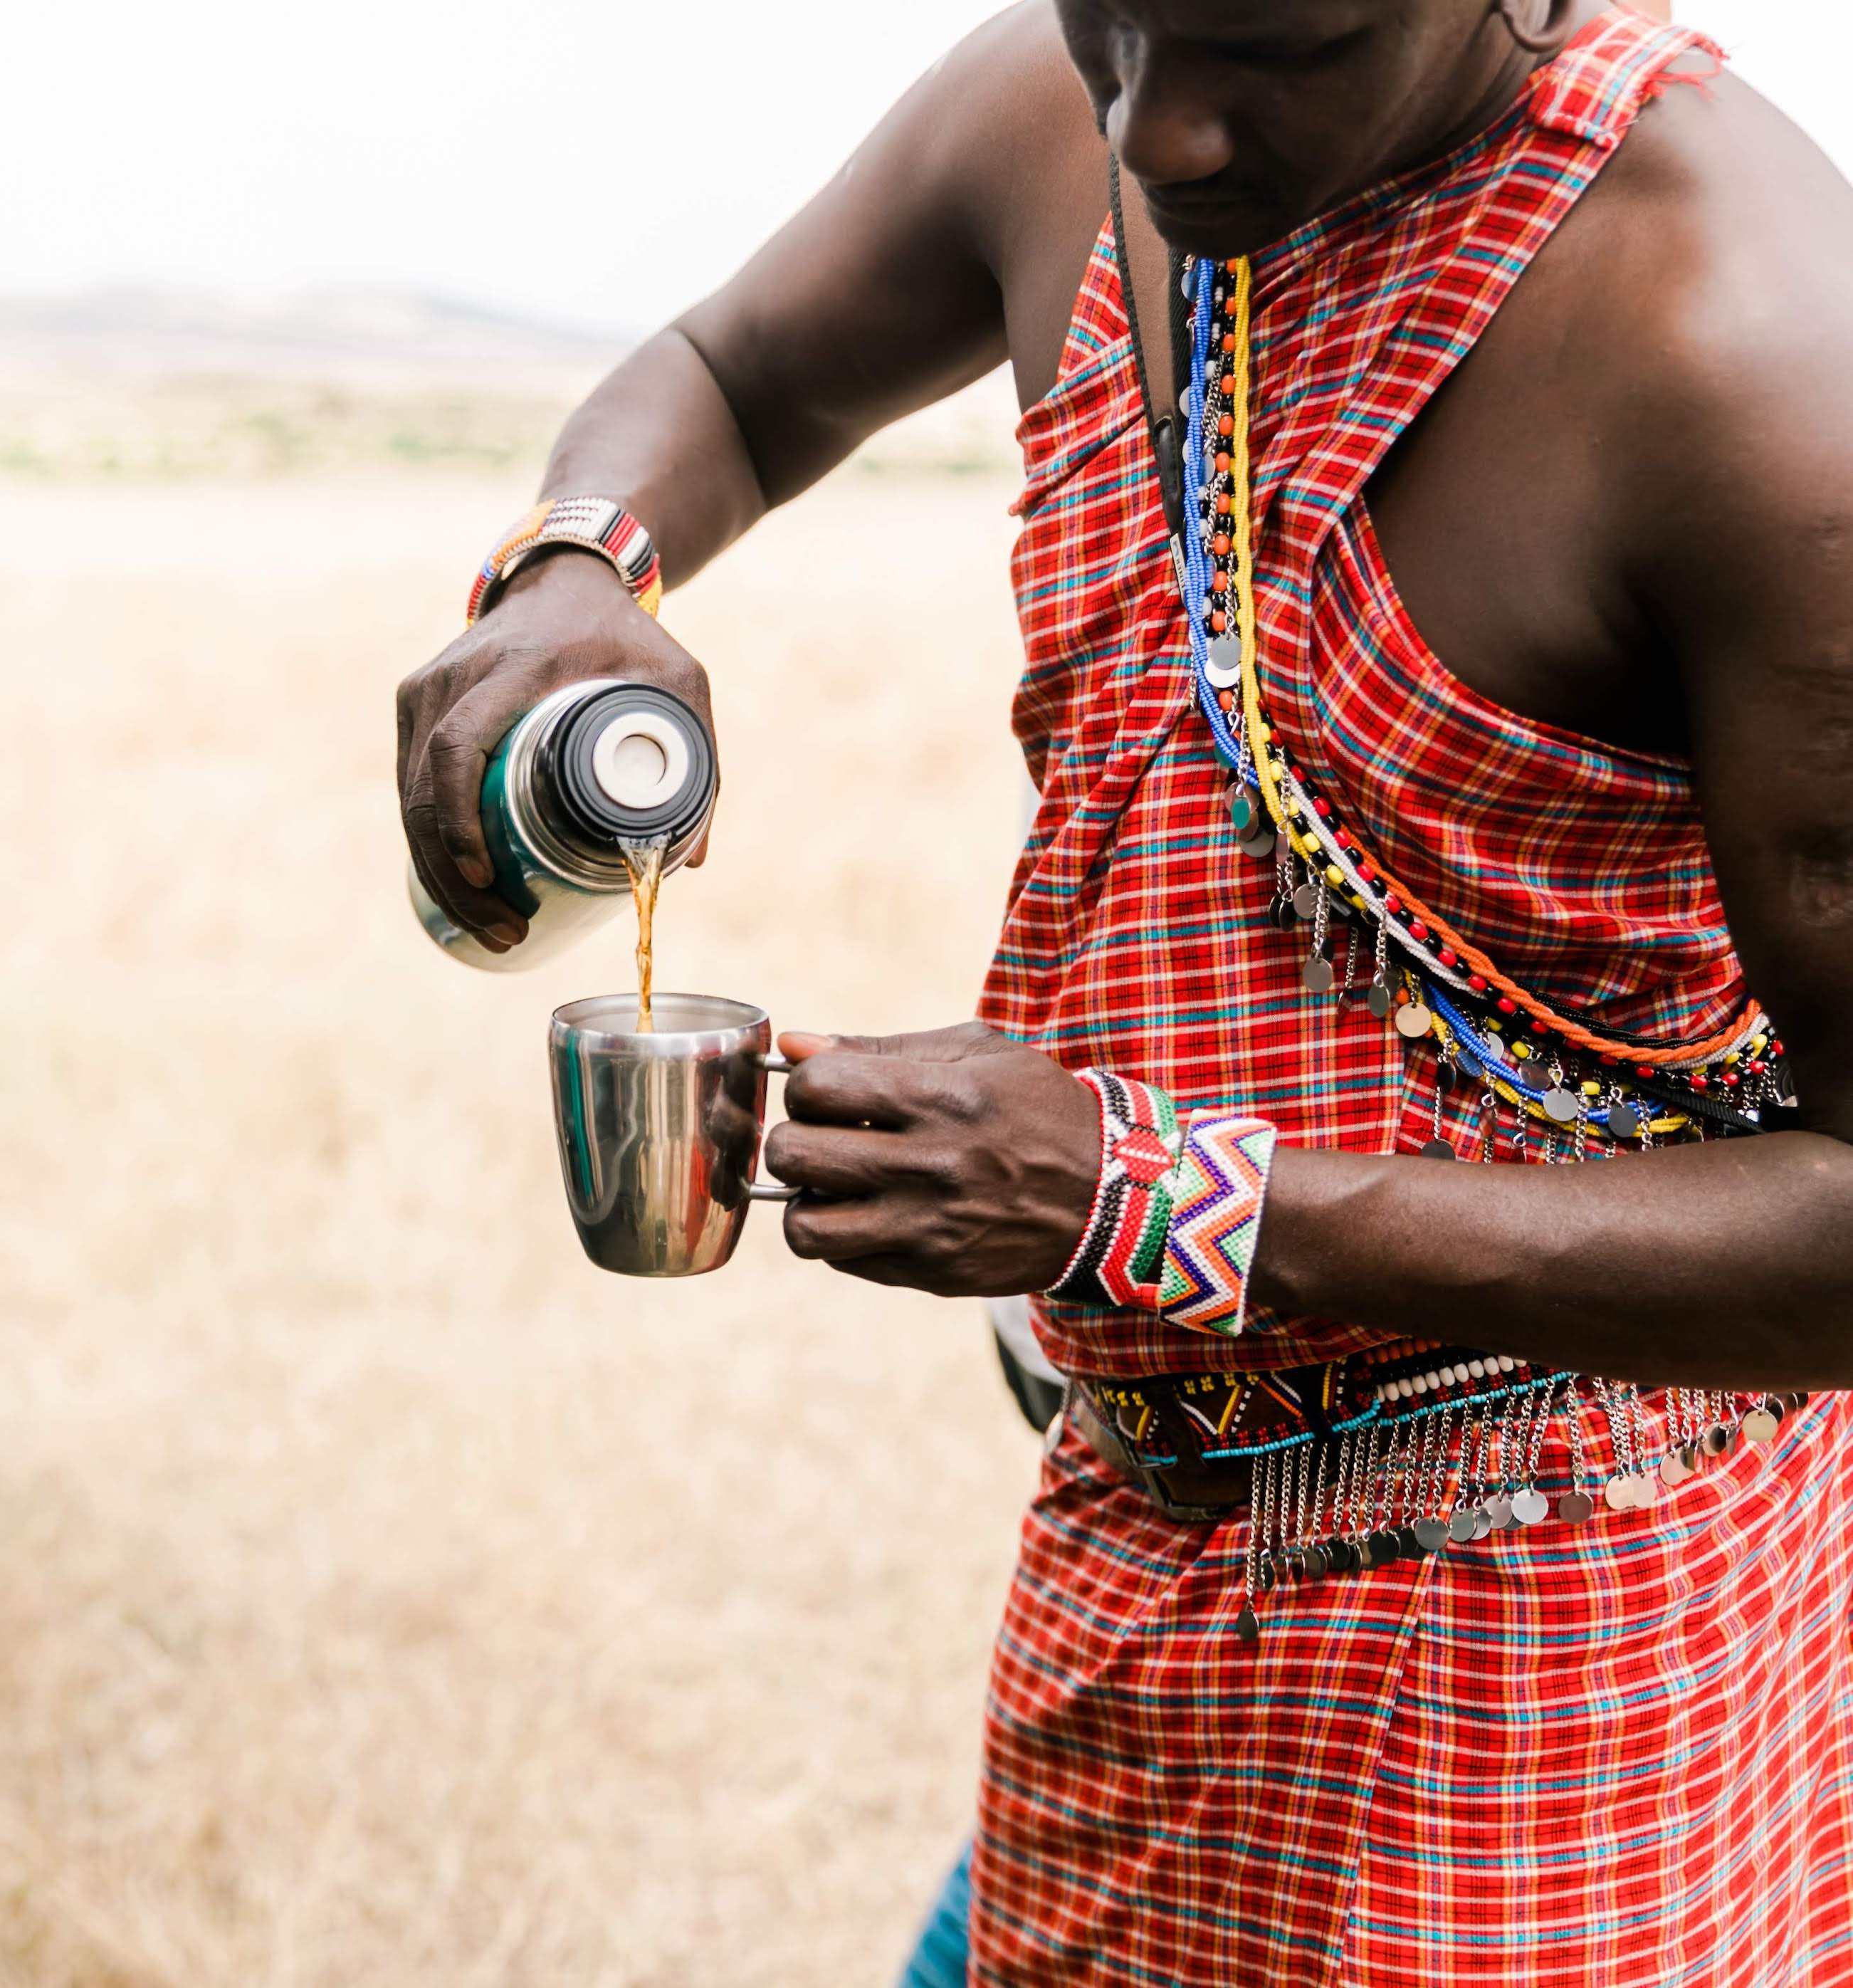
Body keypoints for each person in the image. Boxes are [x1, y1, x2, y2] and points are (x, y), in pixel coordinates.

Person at [393, 3, 1853, 1980]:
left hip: (1542, 1676)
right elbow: (738, 376)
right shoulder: (1070, 103)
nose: (1153, 139)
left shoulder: (1748, 346)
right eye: (1113, 15)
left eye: (1279, 42)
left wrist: (1152, 1208)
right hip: (1129, 1560)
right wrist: (580, 566)